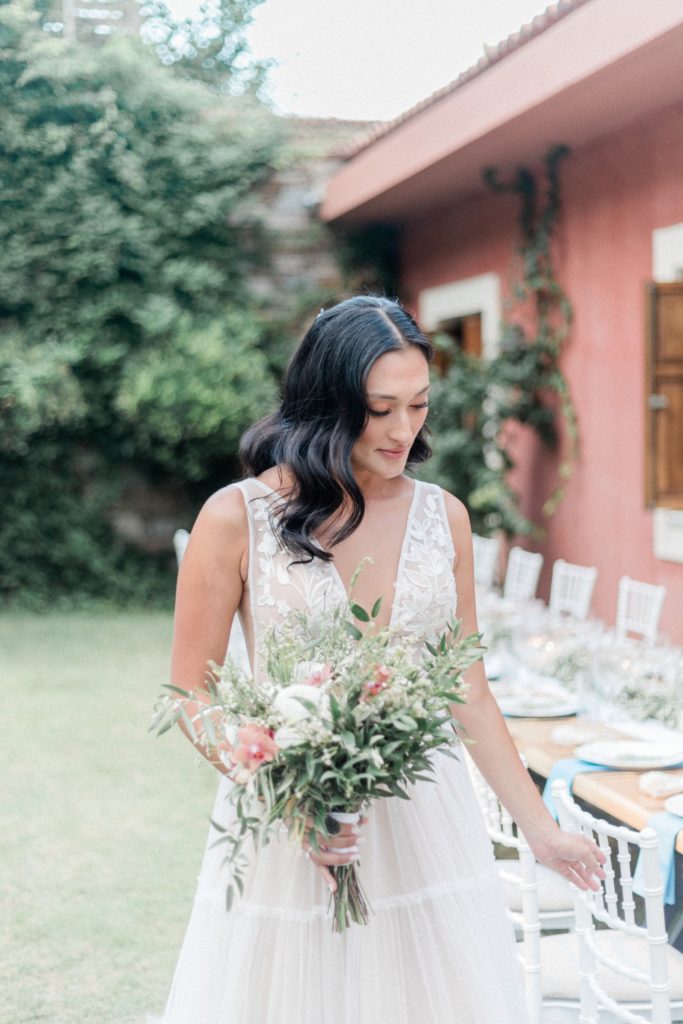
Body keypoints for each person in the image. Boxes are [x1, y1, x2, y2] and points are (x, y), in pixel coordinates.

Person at [153, 295, 605, 1024]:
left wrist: (540, 828)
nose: (404, 430)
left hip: (425, 820)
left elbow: (468, 693)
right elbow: (189, 692)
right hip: (287, 820)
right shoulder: (234, 517)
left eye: (419, 405)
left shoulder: (442, 517)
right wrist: (290, 795)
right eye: (380, 408)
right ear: (326, 403)